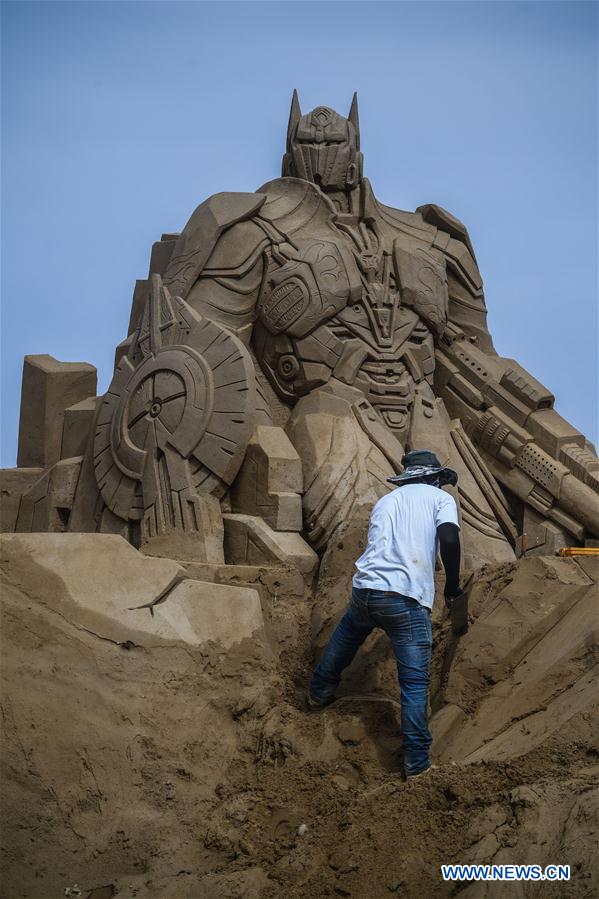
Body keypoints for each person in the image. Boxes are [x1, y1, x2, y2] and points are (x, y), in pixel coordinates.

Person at [307, 450, 463, 778]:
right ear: (435, 478)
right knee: (415, 683)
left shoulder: (387, 500)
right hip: (405, 598)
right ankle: (417, 764)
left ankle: (317, 693)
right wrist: (452, 585)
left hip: (366, 589)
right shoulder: (441, 499)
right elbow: (449, 537)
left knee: (348, 636)